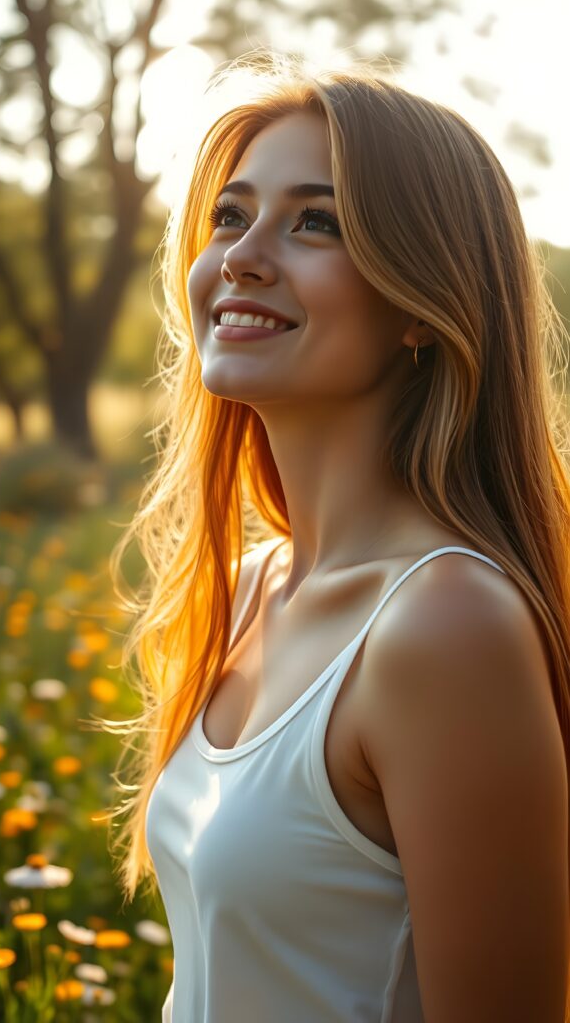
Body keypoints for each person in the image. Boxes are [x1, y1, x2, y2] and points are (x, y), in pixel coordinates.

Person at [104, 54, 570, 1022]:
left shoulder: (445, 625)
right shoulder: (247, 586)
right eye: (231, 215)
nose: (241, 254)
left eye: (316, 221)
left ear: (420, 303)